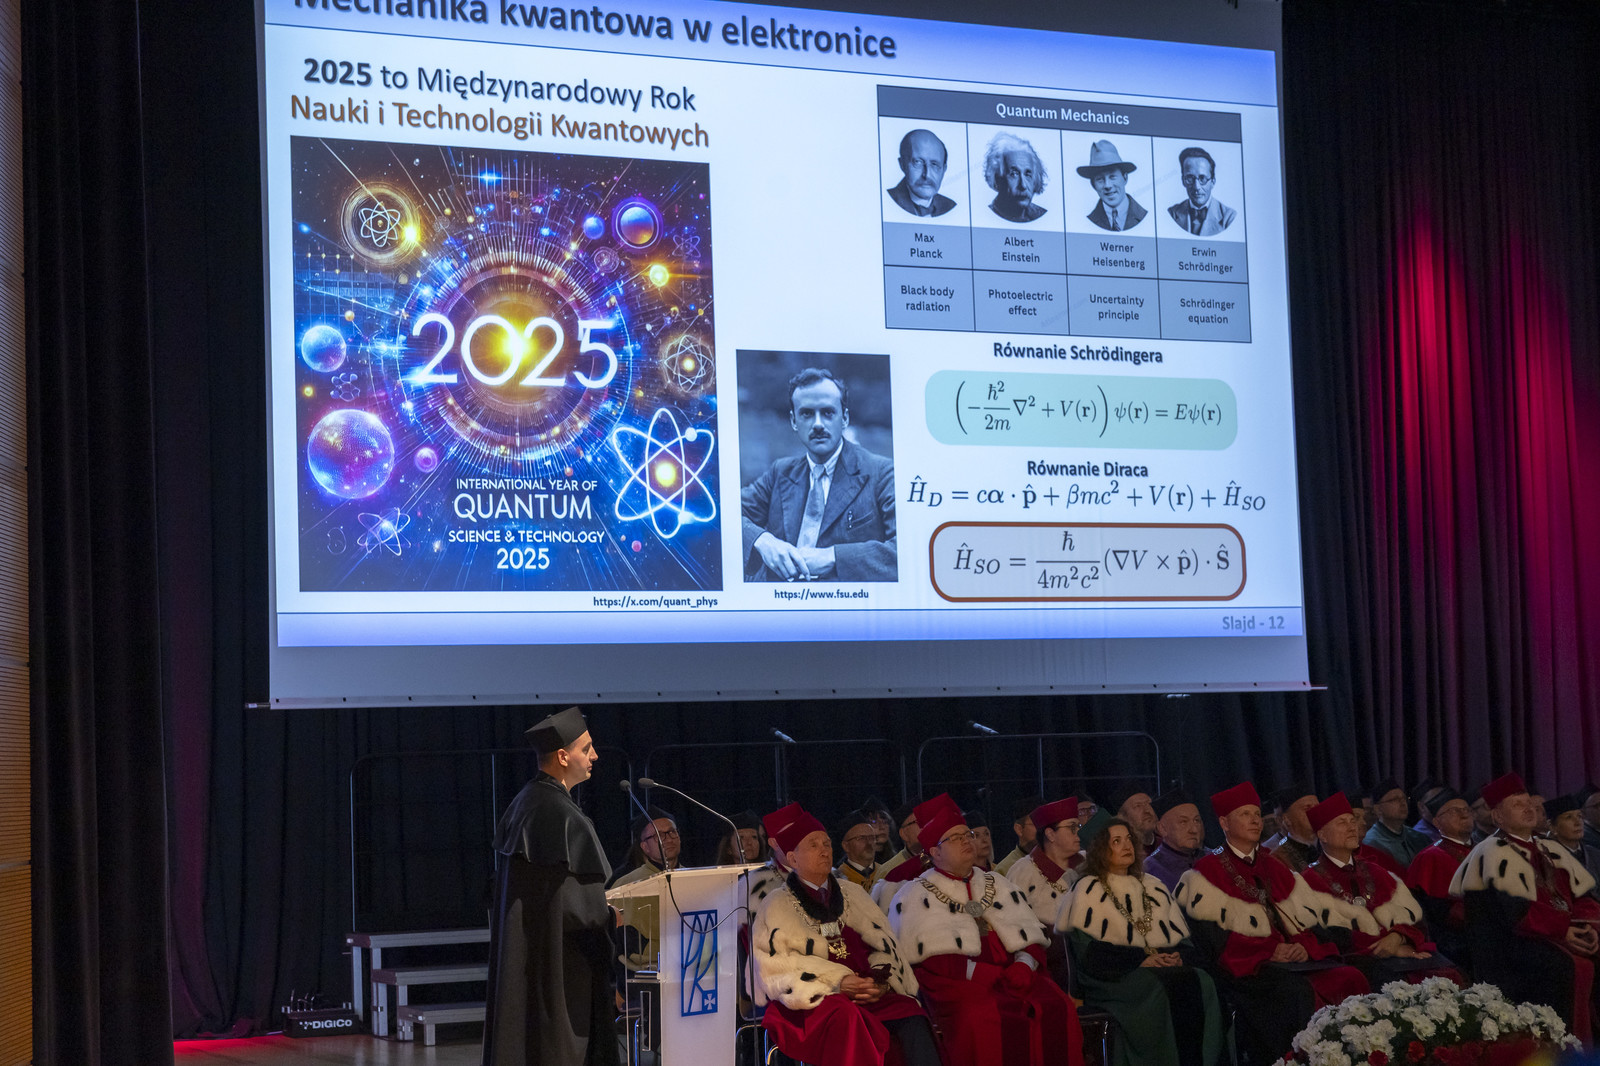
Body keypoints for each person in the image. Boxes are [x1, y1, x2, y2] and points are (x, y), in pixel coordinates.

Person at [1176, 782, 1368, 1066]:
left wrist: (1302, 946)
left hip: (1292, 962)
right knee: (1295, 992)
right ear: (1224, 823)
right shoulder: (1205, 871)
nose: (1255, 820)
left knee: (1350, 976)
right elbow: (1213, 940)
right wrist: (1269, 951)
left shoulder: (1275, 865)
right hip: (1248, 969)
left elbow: (1308, 920)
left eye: (1256, 813)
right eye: (1245, 814)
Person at [886, 794, 1083, 1066]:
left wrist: (1024, 964)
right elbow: (926, 956)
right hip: (957, 983)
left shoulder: (997, 882)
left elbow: (1031, 933)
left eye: (967, 835)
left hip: (1013, 975)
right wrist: (977, 972)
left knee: (1056, 1005)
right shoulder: (914, 893)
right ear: (935, 852)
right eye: (955, 838)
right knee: (981, 1016)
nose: (967, 841)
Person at [752, 803, 942, 1066]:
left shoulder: (853, 892)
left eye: (826, 844)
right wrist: (837, 983)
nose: (824, 850)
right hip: (814, 1001)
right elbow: (777, 967)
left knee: (911, 1013)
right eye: (813, 845)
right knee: (846, 1016)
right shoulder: (776, 904)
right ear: (793, 859)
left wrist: (879, 982)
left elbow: (885, 946)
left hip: (866, 991)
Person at [483, 707, 620, 1066]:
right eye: (586, 748)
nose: (595, 756)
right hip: (560, 968)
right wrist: (610, 917)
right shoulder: (563, 815)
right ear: (562, 756)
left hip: (530, 959)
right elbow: (581, 911)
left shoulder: (526, 802)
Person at [1060, 819, 1223, 1066]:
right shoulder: (1086, 890)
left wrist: (1178, 956)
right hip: (1112, 978)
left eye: (1129, 839)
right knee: (1158, 988)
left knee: (1202, 980)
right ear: (1099, 849)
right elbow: (1089, 954)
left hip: (1155, 966)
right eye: (1116, 841)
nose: (1126, 846)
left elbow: (1181, 939)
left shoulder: (1152, 886)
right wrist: (1140, 960)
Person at [1451, 772, 1600, 1041]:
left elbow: (1583, 895)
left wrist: (1589, 927)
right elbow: (1516, 913)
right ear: (1498, 816)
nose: (1529, 809)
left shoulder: (1549, 847)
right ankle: (1567, 1047)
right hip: (1512, 947)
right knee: (1564, 967)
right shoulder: (1491, 852)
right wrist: (1565, 931)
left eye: (1530, 803)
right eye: (1518, 805)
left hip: (1557, 933)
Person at [741, 367, 896, 583]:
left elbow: (903, 550)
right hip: (781, 600)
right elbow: (724, 513)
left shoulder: (882, 473)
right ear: (794, 421)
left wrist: (833, 557)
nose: (818, 424)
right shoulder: (780, 473)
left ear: (845, 418)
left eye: (828, 413)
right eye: (806, 414)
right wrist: (763, 540)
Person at [1299, 793, 1458, 985]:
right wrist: (1387, 947)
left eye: (1352, 821)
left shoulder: (1376, 870)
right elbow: (1326, 936)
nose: (1352, 827)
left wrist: (1398, 937)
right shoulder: (1308, 880)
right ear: (1322, 835)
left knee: (1449, 974)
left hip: (1398, 954)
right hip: (1355, 960)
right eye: (1342, 823)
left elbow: (1415, 917)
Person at [1404, 789, 1475, 969]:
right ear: (1437, 822)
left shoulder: (1486, 849)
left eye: (1466, 809)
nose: (1464, 814)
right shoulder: (1431, 857)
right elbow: (1440, 913)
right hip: (1455, 940)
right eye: (1454, 811)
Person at [1007, 798, 1082, 927]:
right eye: (1072, 827)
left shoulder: (1085, 865)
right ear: (1050, 834)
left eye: (1078, 826)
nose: (1078, 832)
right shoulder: (1022, 872)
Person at [1076, 140, 1146, 233]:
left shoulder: (1144, 216)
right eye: (1100, 179)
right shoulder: (1085, 223)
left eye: (1112, 177)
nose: (1107, 185)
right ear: (1093, 185)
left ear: (1125, 178)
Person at [1166, 147, 1236, 236]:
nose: (1196, 187)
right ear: (1183, 181)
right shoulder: (1172, 213)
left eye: (1202, 178)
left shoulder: (1229, 217)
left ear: (1213, 181)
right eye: (1190, 178)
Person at [887, 128, 956, 218]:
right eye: (918, 162)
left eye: (934, 164)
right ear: (902, 164)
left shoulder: (950, 206)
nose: (927, 175)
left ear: (944, 169)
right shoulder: (886, 200)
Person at [982, 131, 1049, 223]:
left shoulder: (1041, 214)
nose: (1023, 185)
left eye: (1028, 174)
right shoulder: (984, 216)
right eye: (1014, 174)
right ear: (998, 178)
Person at [1146, 789, 1206, 891]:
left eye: (1197, 821)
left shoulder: (1216, 859)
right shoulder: (1150, 870)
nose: (1194, 830)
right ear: (1162, 829)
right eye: (1183, 822)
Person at [1364, 779, 1432, 867]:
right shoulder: (1371, 843)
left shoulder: (1419, 837)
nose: (1403, 803)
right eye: (1394, 800)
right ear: (1378, 809)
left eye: (1404, 798)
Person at [1547, 793, 1600, 891]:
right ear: (1552, 826)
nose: (1577, 822)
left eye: (1579, 816)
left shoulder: (1594, 853)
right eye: (1568, 817)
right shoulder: (1547, 859)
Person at [1263, 784, 1319, 873]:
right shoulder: (1278, 859)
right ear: (1286, 819)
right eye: (1307, 808)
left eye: (1317, 808)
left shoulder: (1332, 844)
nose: (1315, 812)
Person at [996, 795, 1043, 876]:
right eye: (1037, 823)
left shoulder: (1057, 860)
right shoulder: (1004, 869)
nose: (1043, 829)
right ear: (1019, 829)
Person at [836, 809, 881, 887]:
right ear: (846, 846)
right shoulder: (838, 880)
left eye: (871, 838)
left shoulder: (885, 872)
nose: (869, 843)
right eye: (861, 838)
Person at [1113, 785, 1160, 853]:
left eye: (1149, 804)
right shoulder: (1124, 853)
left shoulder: (1167, 843)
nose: (1147, 810)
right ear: (1123, 818)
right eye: (1138, 806)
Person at [1410, 779, 1447, 845]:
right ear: (1421, 806)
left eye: (1443, 799)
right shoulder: (1418, 835)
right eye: (1435, 800)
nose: (1441, 804)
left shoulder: (1447, 827)